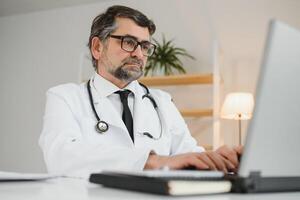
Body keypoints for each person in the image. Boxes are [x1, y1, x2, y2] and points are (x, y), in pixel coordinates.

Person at [39, 5, 242, 178]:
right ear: (97, 47)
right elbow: (61, 156)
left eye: (145, 46)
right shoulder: (65, 97)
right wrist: (151, 161)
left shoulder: (162, 101)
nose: (138, 54)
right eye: (128, 42)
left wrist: (218, 160)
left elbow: (188, 155)